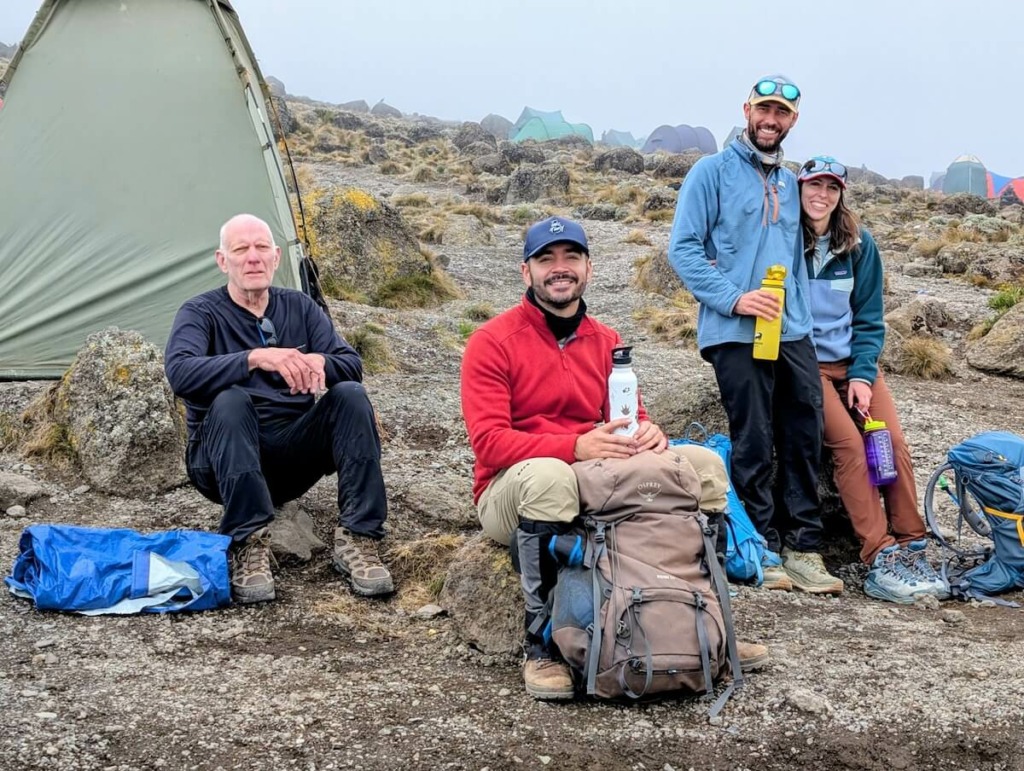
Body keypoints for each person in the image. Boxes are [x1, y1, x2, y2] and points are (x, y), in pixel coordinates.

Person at [460, 215, 769, 701]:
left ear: (589, 268)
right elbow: (490, 444)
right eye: (546, 260)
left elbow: (630, 415)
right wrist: (573, 446)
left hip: (595, 478)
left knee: (703, 466)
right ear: (527, 273)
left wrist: (648, 433)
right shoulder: (492, 342)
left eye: (570, 258)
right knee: (551, 478)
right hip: (512, 492)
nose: (559, 269)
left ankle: (709, 622)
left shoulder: (605, 340)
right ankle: (541, 645)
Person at [668, 75, 843, 595]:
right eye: (764, 109)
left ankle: (805, 548)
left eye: (782, 113)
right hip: (734, 328)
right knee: (754, 437)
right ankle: (760, 546)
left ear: (793, 121)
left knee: (804, 431)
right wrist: (735, 299)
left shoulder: (791, 184)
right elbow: (683, 249)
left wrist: (803, 319)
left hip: (790, 330)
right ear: (747, 110)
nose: (771, 120)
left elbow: (795, 259)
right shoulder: (710, 172)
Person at [164, 213, 393, 604]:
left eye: (261, 249)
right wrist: (254, 358)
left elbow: (350, 362)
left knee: (350, 394)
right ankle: (247, 541)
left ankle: (358, 535)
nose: (252, 258)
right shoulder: (200, 312)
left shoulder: (299, 307)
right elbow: (180, 373)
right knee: (231, 399)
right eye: (241, 250)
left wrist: (322, 363)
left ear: (275, 258)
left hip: (290, 459)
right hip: (219, 462)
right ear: (223, 261)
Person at [798, 156, 947, 602]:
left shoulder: (860, 246)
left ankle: (910, 542)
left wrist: (862, 374)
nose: (820, 195)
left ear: (841, 194)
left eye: (831, 188)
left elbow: (869, 319)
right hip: (806, 367)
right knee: (849, 446)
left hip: (853, 365)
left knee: (891, 442)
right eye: (812, 186)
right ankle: (880, 554)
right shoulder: (784, 242)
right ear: (799, 189)